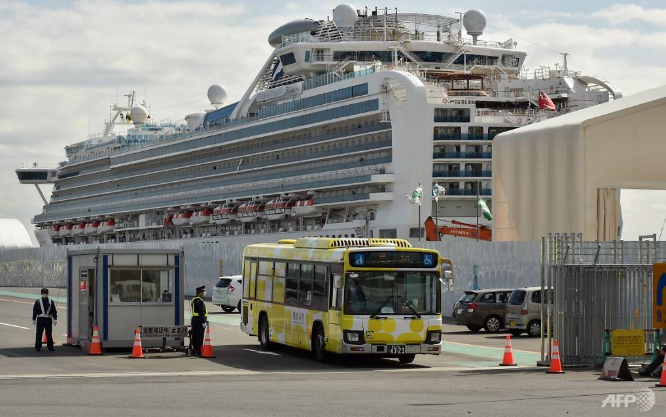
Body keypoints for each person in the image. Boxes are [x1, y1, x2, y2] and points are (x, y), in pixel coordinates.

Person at [190, 286, 208, 356]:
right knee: (199, 336)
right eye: (203, 292)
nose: (204, 293)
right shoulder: (199, 301)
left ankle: (195, 350)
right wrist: (203, 322)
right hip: (199, 321)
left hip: (195, 320)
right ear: (199, 293)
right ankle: (199, 351)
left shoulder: (194, 299)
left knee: (195, 336)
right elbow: (201, 313)